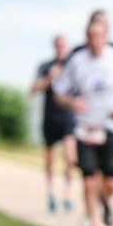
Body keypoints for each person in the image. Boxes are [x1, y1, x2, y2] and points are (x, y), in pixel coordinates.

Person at [54, 19, 113, 226]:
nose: (95, 41)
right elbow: (59, 91)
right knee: (89, 179)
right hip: (85, 127)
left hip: (111, 125)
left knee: (112, 182)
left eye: (99, 36)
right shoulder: (77, 61)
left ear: (107, 36)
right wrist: (72, 102)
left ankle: (103, 202)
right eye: (91, 36)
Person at [32, 34, 76, 213]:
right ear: (54, 46)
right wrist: (49, 79)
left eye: (63, 45)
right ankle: (50, 193)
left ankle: (67, 193)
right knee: (50, 158)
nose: (61, 48)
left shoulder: (73, 66)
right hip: (50, 117)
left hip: (69, 117)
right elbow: (33, 88)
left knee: (70, 157)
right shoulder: (45, 66)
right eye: (58, 45)